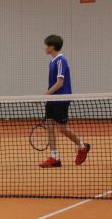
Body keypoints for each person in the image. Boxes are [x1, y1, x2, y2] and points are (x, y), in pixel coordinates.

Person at [39, 35, 90, 168]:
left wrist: (44, 95)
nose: (45, 48)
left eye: (46, 45)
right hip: (52, 99)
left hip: (61, 99)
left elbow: (60, 83)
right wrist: (48, 97)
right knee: (49, 126)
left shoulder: (61, 61)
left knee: (62, 129)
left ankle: (82, 146)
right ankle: (55, 158)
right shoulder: (52, 62)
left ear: (52, 47)